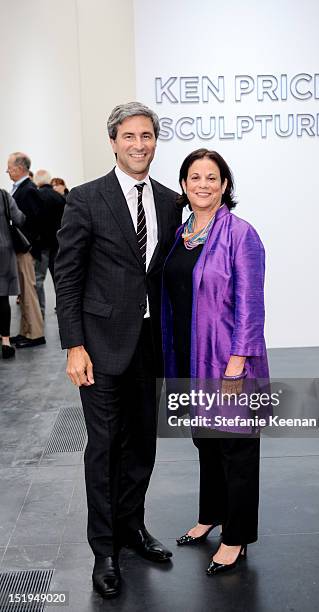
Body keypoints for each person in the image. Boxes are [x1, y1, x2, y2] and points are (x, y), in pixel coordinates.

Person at [55, 101, 181, 599]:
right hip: (100, 347)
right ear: (113, 141)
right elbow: (67, 278)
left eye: (146, 135)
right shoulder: (86, 199)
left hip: (151, 346)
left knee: (142, 448)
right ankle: (104, 551)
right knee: (105, 450)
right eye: (128, 136)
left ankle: (132, 528)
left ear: (155, 140)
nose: (138, 144)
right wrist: (73, 345)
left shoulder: (171, 202)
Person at [162, 149, 269, 576]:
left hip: (228, 360)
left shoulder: (241, 234)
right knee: (206, 441)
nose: (202, 184)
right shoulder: (179, 233)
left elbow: (251, 305)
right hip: (189, 356)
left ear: (225, 185)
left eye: (212, 177)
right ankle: (211, 515)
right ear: (184, 185)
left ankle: (236, 536)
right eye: (194, 177)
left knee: (236, 447)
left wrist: (238, 360)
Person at [7, 152, 45, 348]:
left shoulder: (27, 190)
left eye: (10, 168)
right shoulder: (23, 188)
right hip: (23, 248)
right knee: (24, 292)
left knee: (28, 292)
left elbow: (34, 221)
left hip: (26, 250)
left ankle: (35, 334)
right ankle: (25, 331)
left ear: (20, 169)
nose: (7, 172)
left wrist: (27, 244)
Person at [33, 169, 65, 317]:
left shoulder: (37, 196)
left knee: (38, 279)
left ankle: (40, 311)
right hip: (58, 243)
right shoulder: (59, 197)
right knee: (59, 277)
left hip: (43, 244)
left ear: (38, 181)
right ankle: (62, 307)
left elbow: (36, 221)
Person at [0, 189, 25, 358]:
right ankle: (6, 341)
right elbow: (19, 218)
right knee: (2, 298)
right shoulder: (3, 195)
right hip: (3, 251)